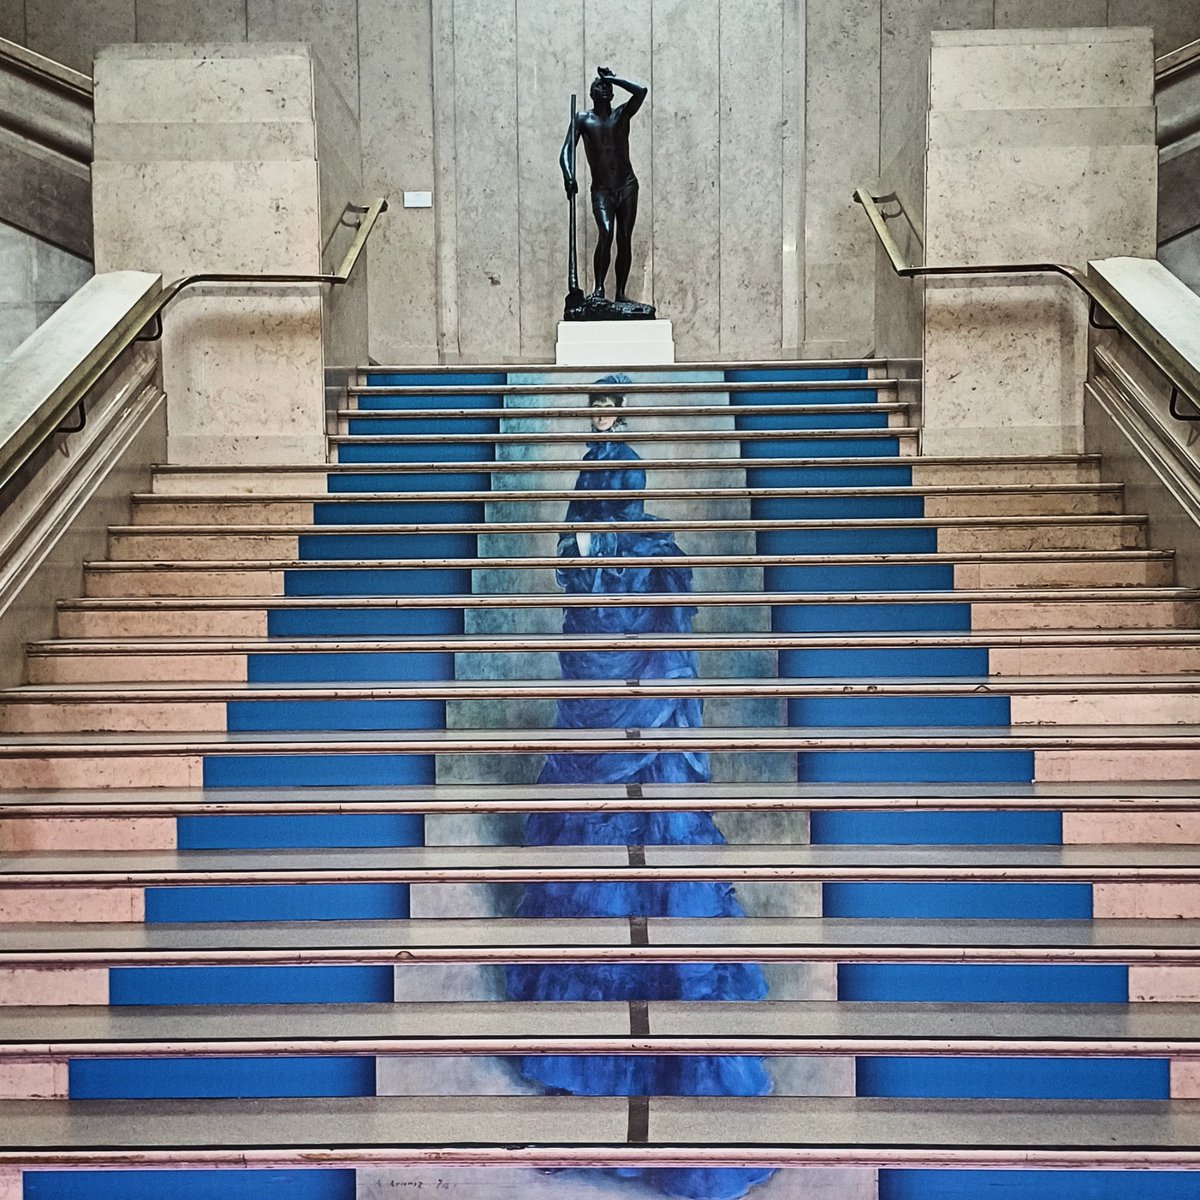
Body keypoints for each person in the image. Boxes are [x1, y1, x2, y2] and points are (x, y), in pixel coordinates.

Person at [505, 375, 775, 1200]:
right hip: (623, 717)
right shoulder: (630, 546)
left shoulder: (643, 547)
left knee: (644, 863)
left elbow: (648, 619)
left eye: (607, 432)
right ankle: (607, 1070)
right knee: (618, 863)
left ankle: (653, 1073)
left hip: (639, 724)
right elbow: (609, 611)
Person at [561, 68, 646, 303]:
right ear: (592, 94)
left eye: (608, 86)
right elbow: (567, 150)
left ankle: (620, 293)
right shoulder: (583, 119)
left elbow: (641, 92)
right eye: (601, 85)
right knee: (606, 232)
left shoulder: (621, 115)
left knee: (625, 237)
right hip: (602, 190)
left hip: (627, 186)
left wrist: (614, 78)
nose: (605, 88)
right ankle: (599, 289)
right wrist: (568, 174)